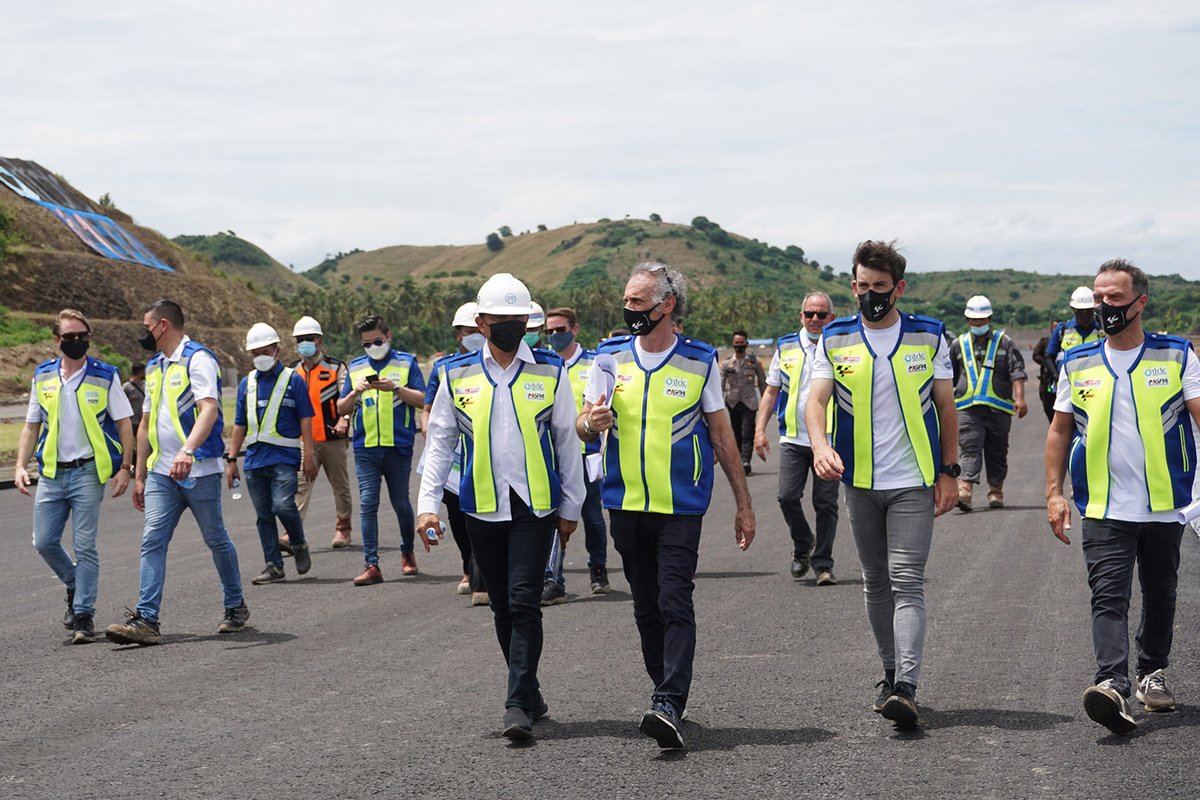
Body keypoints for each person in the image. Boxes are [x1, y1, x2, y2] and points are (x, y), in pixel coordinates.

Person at [579, 262, 756, 750]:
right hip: (626, 503)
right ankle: (665, 690)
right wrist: (590, 423)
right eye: (627, 301)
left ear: (667, 305)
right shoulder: (609, 358)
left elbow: (721, 435)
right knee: (645, 605)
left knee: (675, 599)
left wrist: (744, 504)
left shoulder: (700, 360)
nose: (629, 309)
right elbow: (581, 424)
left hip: (681, 505)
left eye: (638, 302)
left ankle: (669, 703)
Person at [418, 273, 585, 741]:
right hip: (481, 506)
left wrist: (572, 505)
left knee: (524, 602)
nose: (510, 327)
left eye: (518, 320)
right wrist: (427, 505)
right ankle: (530, 691)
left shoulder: (550, 371)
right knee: (501, 609)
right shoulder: (456, 373)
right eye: (500, 320)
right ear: (481, 321)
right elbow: (440, 443)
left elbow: (566, 441)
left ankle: (515, 704)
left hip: (535, 506)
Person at [807, 240, 958, 730]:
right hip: (859, 482)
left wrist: (950, 471)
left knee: (906, 580)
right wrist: (819, 445)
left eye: (880, 287)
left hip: (914, 481)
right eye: (863, 286)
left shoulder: (931, 337)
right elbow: (816, 401)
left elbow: (945, 408)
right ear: (853, 286)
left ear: (899, 288)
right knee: (875, 582)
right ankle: (890, 675)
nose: (870, 294)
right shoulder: (834, 339)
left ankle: (908, 687)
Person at [1045, 259, 1199, 736]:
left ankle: (1150, 673)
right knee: (1107, 597)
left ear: (1140, 302)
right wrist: (1054, 493)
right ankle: (1111, 683)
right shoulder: (1078, 361)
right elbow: (1058, 431)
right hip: (1104, 506)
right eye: (1099, 297)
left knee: (1160, 595)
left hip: (1164, 503)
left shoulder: (1177, 356)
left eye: (1114, 297)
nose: (1105, 306)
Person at [106, 299, 248, 645]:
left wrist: (187, 450)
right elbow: (145, 425)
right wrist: (140, 474)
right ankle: (147, 619)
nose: (144, 333)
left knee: (215, 538)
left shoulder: (197, 359)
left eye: (147, 326)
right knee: (152, 539)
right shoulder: (154, 366)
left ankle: (235, 605)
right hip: (160, 474)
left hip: (198, 469)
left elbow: (209, 409)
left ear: (163, 325)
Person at [14, 309, 134, 644]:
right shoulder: (44, 376)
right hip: (52, 473)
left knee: (85, 545)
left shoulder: (105, 375)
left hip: (87, 472)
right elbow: (31, 424)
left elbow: (124, 422)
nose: (77, 342)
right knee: (44, 541)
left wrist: (126, 467)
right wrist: (21, 465)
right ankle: (74, 584)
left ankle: (83, 614)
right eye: (70, 337)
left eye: (83, 336)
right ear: (57, 341)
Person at [753, 291, 840, 585]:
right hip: (793, 438)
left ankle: (823, 563)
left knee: (825, 503)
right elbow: (772, 390)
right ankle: (803, 544)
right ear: (800, 316)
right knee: (787, 496)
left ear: (832, 318)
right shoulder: (786, 346)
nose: (815, 319)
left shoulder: (840, 346)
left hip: (828, 440)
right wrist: (759, 429)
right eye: (810, 314)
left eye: (822, 315)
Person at [225, 323, 319, 584]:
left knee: (282, 505)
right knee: (264, 514)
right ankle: (273, 566)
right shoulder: (247, 383)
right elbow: (240, 424)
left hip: (284, 458)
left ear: (276, 350)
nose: (260, 358)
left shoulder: (293, 379)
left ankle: (298, 543)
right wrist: (232, 459)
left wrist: (308, 455)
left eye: (264, 351)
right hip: (254, 460)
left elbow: (306, 419)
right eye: (255, 354)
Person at [336, 314, 426, 585]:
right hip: (366, 447)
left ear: (388, 337)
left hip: (398, 445)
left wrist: (396, 388)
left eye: (377, 341)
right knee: (367, 503)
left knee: (400, 503)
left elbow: (423, 399)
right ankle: (371, 564)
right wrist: (355, 393)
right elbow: (341, 408)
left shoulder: (406, 362)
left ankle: (407, 552)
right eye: (366, 344)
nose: (372, 347)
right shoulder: (356, 367)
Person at [418, 301, 488, 606]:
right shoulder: (444, 368)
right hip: (452, 456)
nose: (472, 335)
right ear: (458, 334)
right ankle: (466, 565)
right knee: (458, 519)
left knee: (479, 516)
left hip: (480, 453)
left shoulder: (491, 363)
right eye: (466, 331)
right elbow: (428, 407)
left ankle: (479, 575)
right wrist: (428, 428)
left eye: (477, 330)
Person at [540, 306, 610, 605]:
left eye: (560, 329)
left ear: (575, 329)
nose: (555, 336)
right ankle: (555, 579)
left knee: (591, 516)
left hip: (586, 453)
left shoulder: (593, 363)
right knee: (554, 517)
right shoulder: (542, 365)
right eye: (550, 331)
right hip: (553, 457)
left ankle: (598, 569)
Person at [950, 295, 1028, 511]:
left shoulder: (1004, 342)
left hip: (999, 410)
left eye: (982, 320)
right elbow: (949, 378)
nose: (978, 324)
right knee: (970, 447)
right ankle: (964, 490)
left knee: (997, 451)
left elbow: (1017, 371)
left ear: (990, 318)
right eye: (974, 320)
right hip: (968, 408)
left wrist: (1020, 399)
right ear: (967, 320)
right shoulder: (958, 345)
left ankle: (996, 490)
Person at [291, 315, 355, 549]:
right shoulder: (292, 371)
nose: (304, 343)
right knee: (299, 487)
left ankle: (343, 529)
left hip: (332, 437)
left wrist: (344, 419)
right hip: (303, 440)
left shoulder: (336, 367)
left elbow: (347, 398)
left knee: (340, 486)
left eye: (309, 338)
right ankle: (293, 534)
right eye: (300, 339)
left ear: (319, 341)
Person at [721, 329, 766, 474]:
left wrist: (766, 402)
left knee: (747, 432)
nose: (739, 345)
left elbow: (763, 383)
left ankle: (746, 460)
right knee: (736, 433)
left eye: (741, 343)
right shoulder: (727, 364)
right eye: (736, 343)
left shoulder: (754, 362)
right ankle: (740, 459)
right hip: (733, 402)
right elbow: (720, 385)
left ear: (746, 344)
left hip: (749, 402)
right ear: (732, 344)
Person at [1045, 287, 1104, 367]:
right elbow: (1049, 356)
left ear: (1093, 309)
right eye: (1080, 310)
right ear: (1073, 309)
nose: (1084, 314)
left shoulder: (1102, 332)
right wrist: (1057, 376)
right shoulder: (1062, 330)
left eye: (1087, 310)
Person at [1030, 321, 1061, 423]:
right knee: (1048, 406)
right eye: (1054, 327)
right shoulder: (1045, 342)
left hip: (1063, 379)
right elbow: (1036, 355)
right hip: (1047, 380)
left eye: (1058, 326)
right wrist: (1048, 363)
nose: (1056, 328)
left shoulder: (1066, 341)